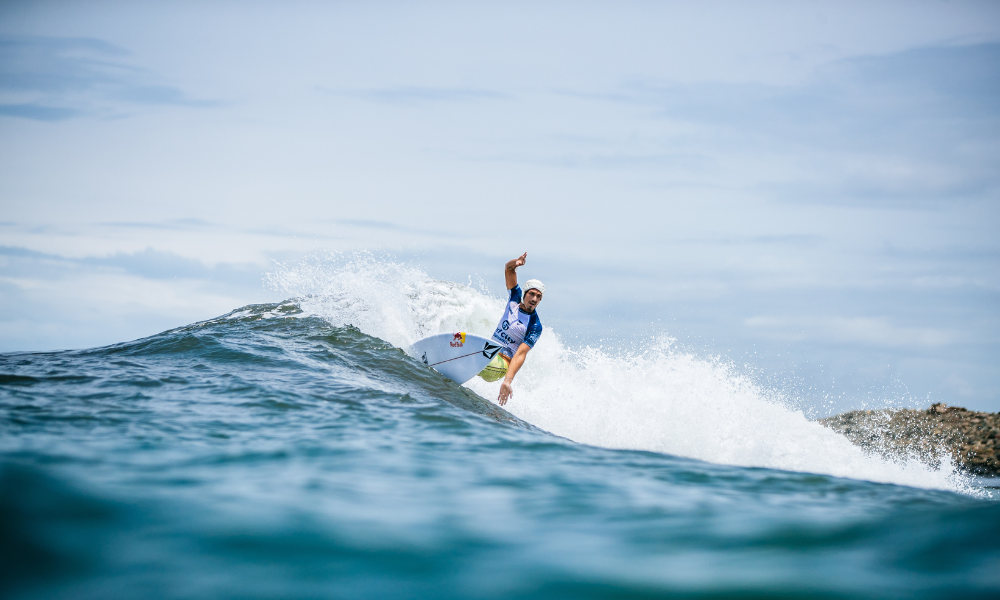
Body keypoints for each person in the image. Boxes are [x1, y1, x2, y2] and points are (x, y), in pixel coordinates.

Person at [478, 252, 544, 406]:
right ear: (525, 294)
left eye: (538, 297)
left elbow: (520, 355)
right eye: (532, 294)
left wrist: (507, 381)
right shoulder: (514, 298)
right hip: (489, 350)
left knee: (482, 358)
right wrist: (516, 263)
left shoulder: (535, 325)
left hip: (501, 363)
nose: (534, 299)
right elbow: (509, 269)